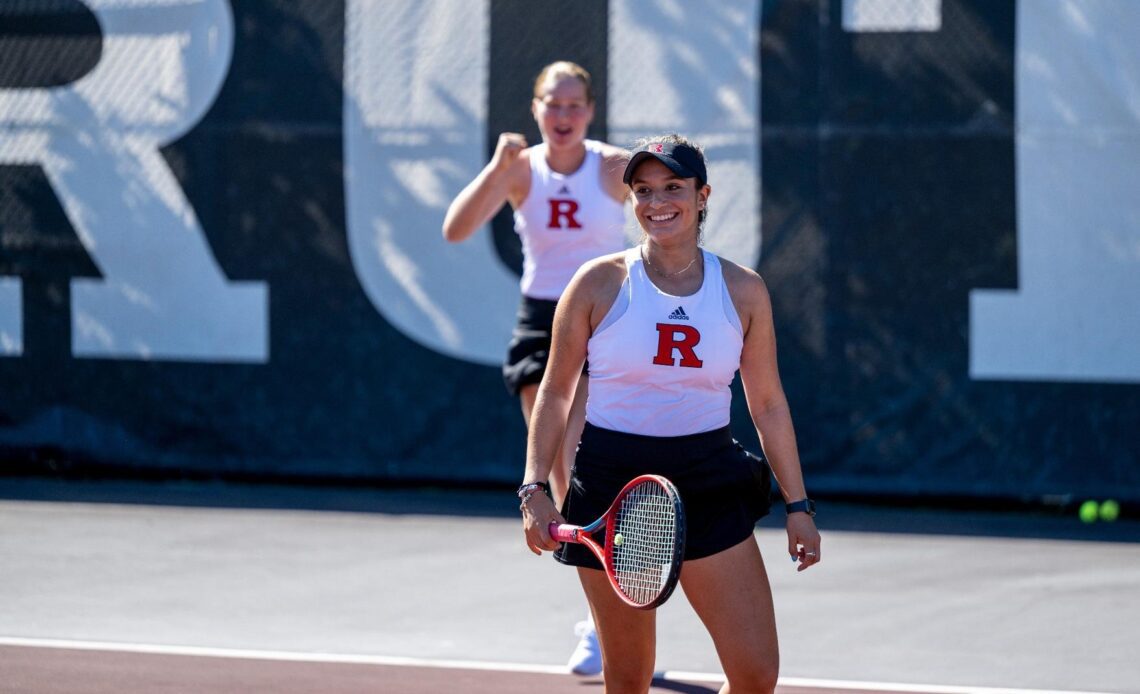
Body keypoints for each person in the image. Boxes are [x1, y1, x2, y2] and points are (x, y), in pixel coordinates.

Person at [518, 133, 821, 693]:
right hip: (613, 484)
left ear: (703, 194)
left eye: (673, 187)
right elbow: (556, 393)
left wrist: (798, 505)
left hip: (709, 475)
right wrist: (534, 488)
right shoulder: (597, 282)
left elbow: (769, 403)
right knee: (628, 680)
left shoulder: (743, 290)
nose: (658, 202)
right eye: (643, 190)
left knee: (756, 674)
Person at [442, 60, 629, 675]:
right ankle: (606, 626)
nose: (565, 116)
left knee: (600, 472)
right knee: (562, 473)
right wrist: (497, 170)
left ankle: (624, 622)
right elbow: (456, 229)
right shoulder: (520, 170)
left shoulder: (612, 168)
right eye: (554, 104)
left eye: (576, 105)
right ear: (535, 108)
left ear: (591, 112)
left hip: (608, 318)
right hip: (542, 323)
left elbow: (677, 195)